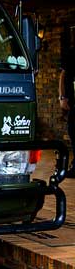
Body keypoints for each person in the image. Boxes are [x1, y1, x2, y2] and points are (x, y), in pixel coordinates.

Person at [60, 43, 75, 177]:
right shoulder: (72, 53)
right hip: (73, 101)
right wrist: (62, 97)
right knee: (73, 131)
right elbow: (63, 76)